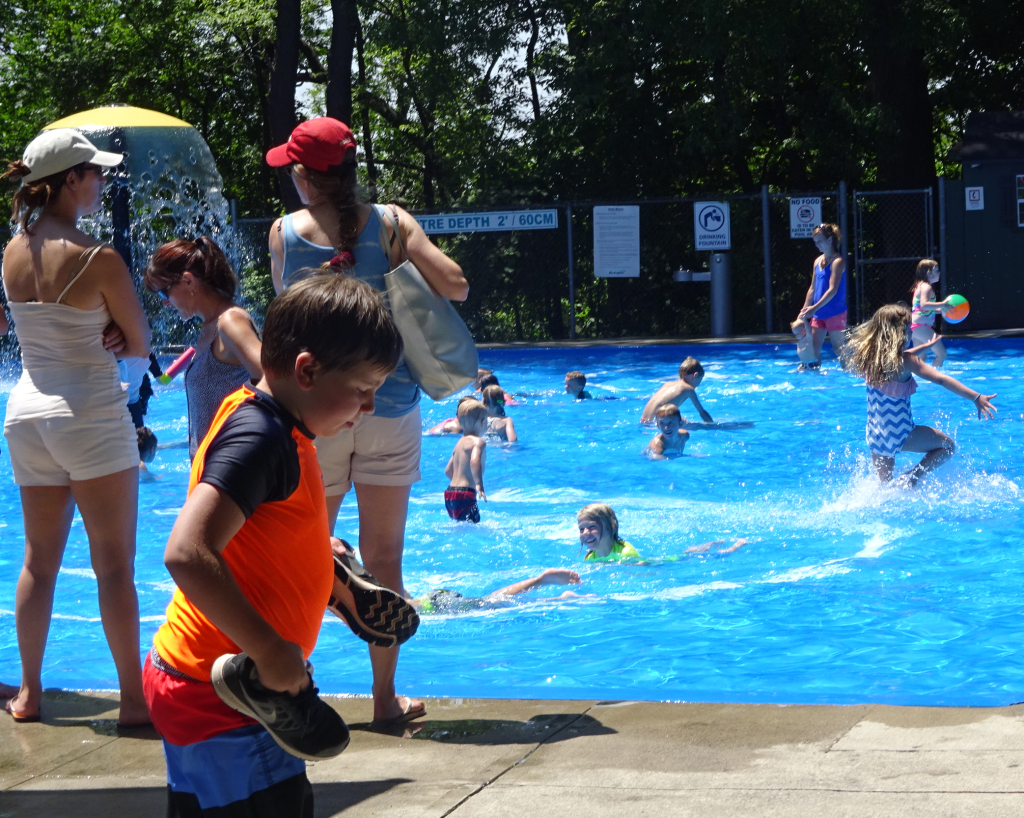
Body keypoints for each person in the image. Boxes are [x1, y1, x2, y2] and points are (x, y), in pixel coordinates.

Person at [144, 274, 405, 815]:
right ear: (307, 370)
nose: (372, 406)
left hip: (205, 680)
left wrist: (314, 561)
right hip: (229, 689)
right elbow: (187, 552)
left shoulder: (281, 422)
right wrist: (271, 651)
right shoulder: (260, 438)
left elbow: (259, 527)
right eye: (362, 390)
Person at [267, 117, 467, 724]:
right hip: (391, 405)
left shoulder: (284, 235)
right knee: (385, 560)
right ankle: (384, 702)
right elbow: (455, 286)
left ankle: (293, 691)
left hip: (317, 414)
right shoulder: (391, 222)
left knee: (305, 556)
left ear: (303, 176)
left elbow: (287, 322)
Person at [2, 129, 151, 725]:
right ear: (70, 180)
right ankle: (134, 701)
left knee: (38, 561)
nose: (101, 182)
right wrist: (112, 334)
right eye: (94, 173)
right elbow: (138, 346)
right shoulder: (98, 258)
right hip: (88, 412)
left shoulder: (11, 251)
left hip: (26, 414)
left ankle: (31, 693)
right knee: (113, 565)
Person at [843, 303, 996, 486]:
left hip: (877, 435)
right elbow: (941, 379)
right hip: (901, 434)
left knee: (884, 488)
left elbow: (904, 354)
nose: (911, 333)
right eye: (909, 329)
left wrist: (926, 347)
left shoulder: (870, 357)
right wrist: (976, 397)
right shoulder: (906, 362)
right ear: (899, 333)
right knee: (947, 447)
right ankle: (912, 478)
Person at [145, 238, 263, 460]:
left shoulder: (229, 323)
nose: (165, 303)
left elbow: (274, 380)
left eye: (164, 293)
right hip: (212, 470)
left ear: (188, 281)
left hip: (233, 470)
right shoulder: (210, 327)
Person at [416, 568, 582, 613]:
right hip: (433, 600)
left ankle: (541, 581)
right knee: (490, 601)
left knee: (490, 602)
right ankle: (559, 598)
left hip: (436, 605)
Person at [797, 223, 848, 368]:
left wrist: (813, 308)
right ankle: (815, 381)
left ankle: (852, 377)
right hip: (819, 313)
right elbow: (813, 288)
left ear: (830, 240)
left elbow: (832, 290)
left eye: (819, 241)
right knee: (813, 350)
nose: (817, 245)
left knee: (839, 349)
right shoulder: (817, 261)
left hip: (835, 312)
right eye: (815, 242)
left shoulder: (838, 262)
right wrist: (805, 309)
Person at [444, 399, 488, 523]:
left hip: (450, 493)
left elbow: (447, 471)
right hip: (465, 493)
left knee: (460, 526)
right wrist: (478, 484)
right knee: (473, 525)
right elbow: (474, 461)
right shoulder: (478, 442)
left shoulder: (459, 443)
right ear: (482, 421)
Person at [641, 357, 713, 424]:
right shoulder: (688, 389)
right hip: (657, 423)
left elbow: (662, 409)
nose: (697, 385)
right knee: (698, 427)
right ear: (695, 375)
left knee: (685, 422)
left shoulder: (667, 384)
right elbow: (702, 412)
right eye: (699, 381)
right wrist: (712, 425)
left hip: (644, 421)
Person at [910, 259, 952, 368]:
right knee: (942, 353)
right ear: (929, 273)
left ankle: (916, 380)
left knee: (920, 359)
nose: (939, 273)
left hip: (916, 327)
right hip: (921, 327)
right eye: (936, 270)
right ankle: (935, 377)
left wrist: (941, 310)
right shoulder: (926, 287)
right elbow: (924, 305)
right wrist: (942, 304)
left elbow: (923, 309)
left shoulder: (921, 285)